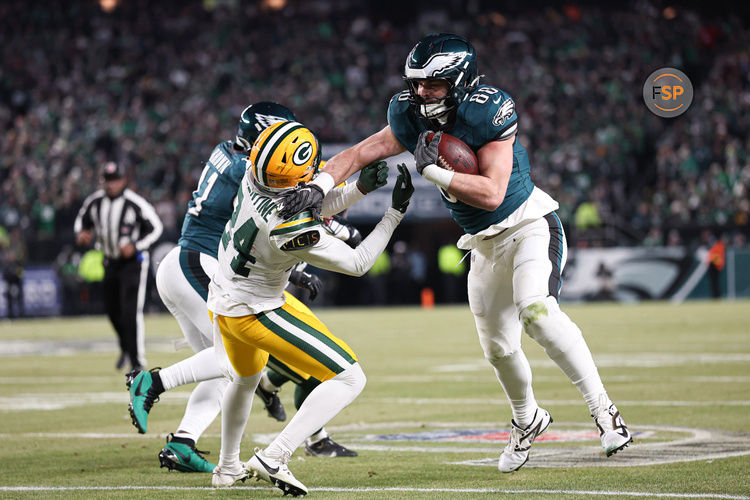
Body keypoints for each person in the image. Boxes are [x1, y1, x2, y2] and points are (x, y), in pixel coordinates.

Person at [278, 33, 632, 473]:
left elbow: (492, 192)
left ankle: (604, 410)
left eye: (433, 85)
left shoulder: (488, 110)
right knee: (499, 350)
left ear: (459, 81)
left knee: (537, 312)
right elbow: (358, 153)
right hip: (481, 246)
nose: (422, 93)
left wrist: (431, 171)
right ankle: (527, 420)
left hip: (527, 225)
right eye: (417, 83)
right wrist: (318, 186)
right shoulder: (406, 113)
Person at [126, 103, 385, 473]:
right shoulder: (249, 171)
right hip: (204, 263)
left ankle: (183, 442)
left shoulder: (228, 154)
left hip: (198, 261)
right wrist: (338, 231)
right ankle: (152, 381)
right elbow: (275, 225)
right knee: (232, 357)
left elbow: (256, 232)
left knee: (228, 371)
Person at [206, 120, 413, 495]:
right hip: (257, 309)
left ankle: (227, 467)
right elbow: (358, 262)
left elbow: (307, 204)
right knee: (350, 377)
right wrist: (394, 213)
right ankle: (276, 455)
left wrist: (359, 188)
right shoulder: (286, 223)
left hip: (222, 296)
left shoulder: (253, 176)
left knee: (245, 379)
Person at [74, 162, 163, 371]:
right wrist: (82, 235)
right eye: (107, 180)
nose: (111, 184)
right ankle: (125, 346)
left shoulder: (134, 203)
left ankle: (137, 361)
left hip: (133, 264)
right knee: (112, 311)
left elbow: (156, 227)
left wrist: (136, 245)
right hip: (109, 261)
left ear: (123, 180)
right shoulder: (94, 202)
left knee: (130, 311)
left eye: (115, 180)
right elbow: (81, 223)